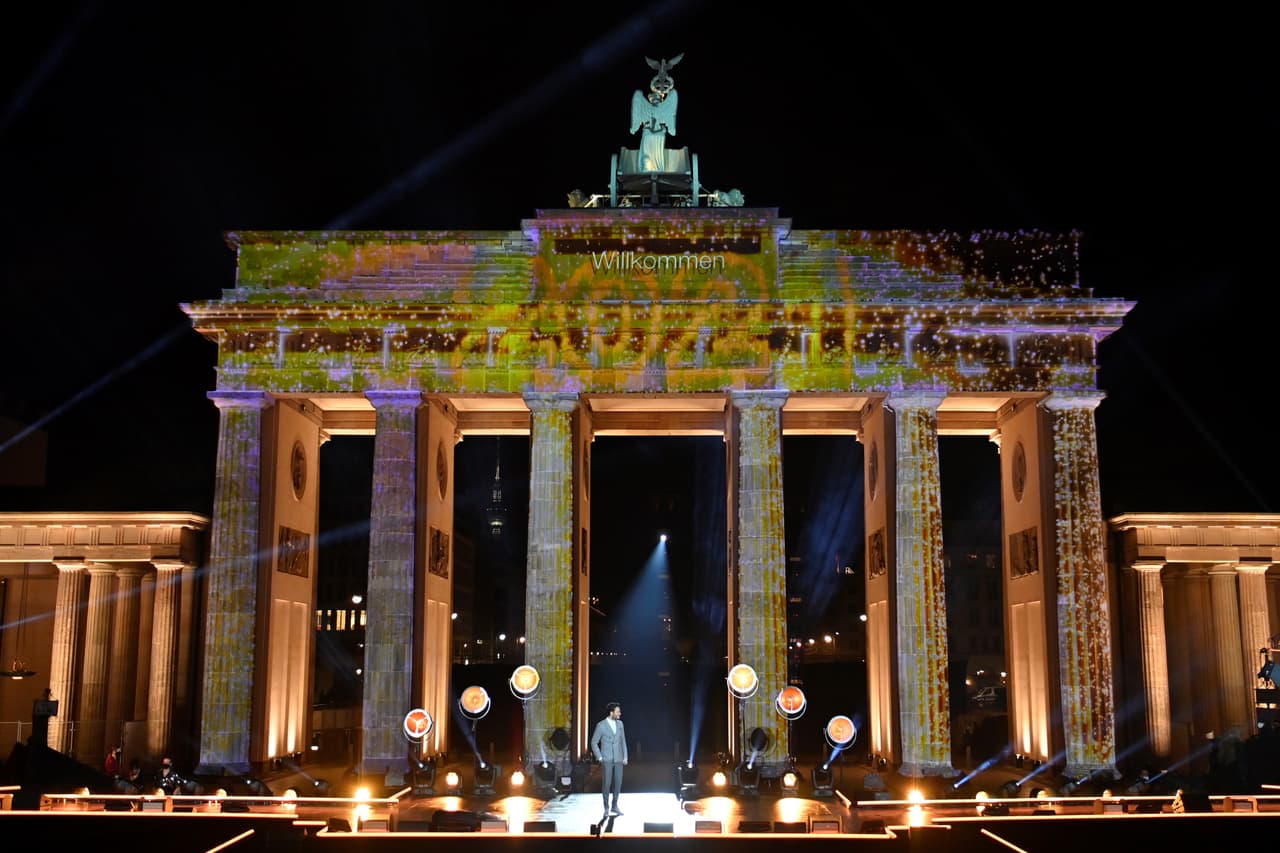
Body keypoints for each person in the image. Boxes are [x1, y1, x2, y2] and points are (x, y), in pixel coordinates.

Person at [590, 701, 627, 816]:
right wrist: (600, 757)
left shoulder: (620, 724)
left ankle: (614, 806)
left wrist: (625, 756)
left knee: (618, 783)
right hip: (607, 759)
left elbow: (623, 741)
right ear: (611, 712)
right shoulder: (601, 726)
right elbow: (594, 742)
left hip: (619, 758)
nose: (620, 713)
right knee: (606, 784)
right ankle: (606, 808)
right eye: (618, 712)